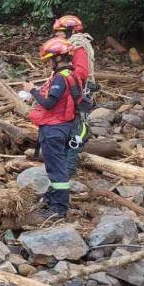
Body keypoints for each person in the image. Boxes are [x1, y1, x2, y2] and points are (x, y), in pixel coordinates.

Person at [23, 38, 82, 221]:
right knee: (56, 167)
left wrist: (32, 91)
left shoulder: (60, 78)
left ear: (58, 58)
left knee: (57, 170)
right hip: (65, 126)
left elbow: (49, 103)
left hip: (54, 129)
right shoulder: (71, 74)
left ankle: (58, 209)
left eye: (49, 59)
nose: (48, 63)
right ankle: (52, 200)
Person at [53, 15, 95, 177]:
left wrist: (62, 77)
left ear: (70, 32)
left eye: (60, 32)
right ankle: (65, 163)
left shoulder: (78, 47)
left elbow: (82, 72)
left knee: (77, 129)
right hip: (71, 92)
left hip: (77, 94)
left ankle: (69, 167)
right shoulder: (70, 46)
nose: (57, 35)